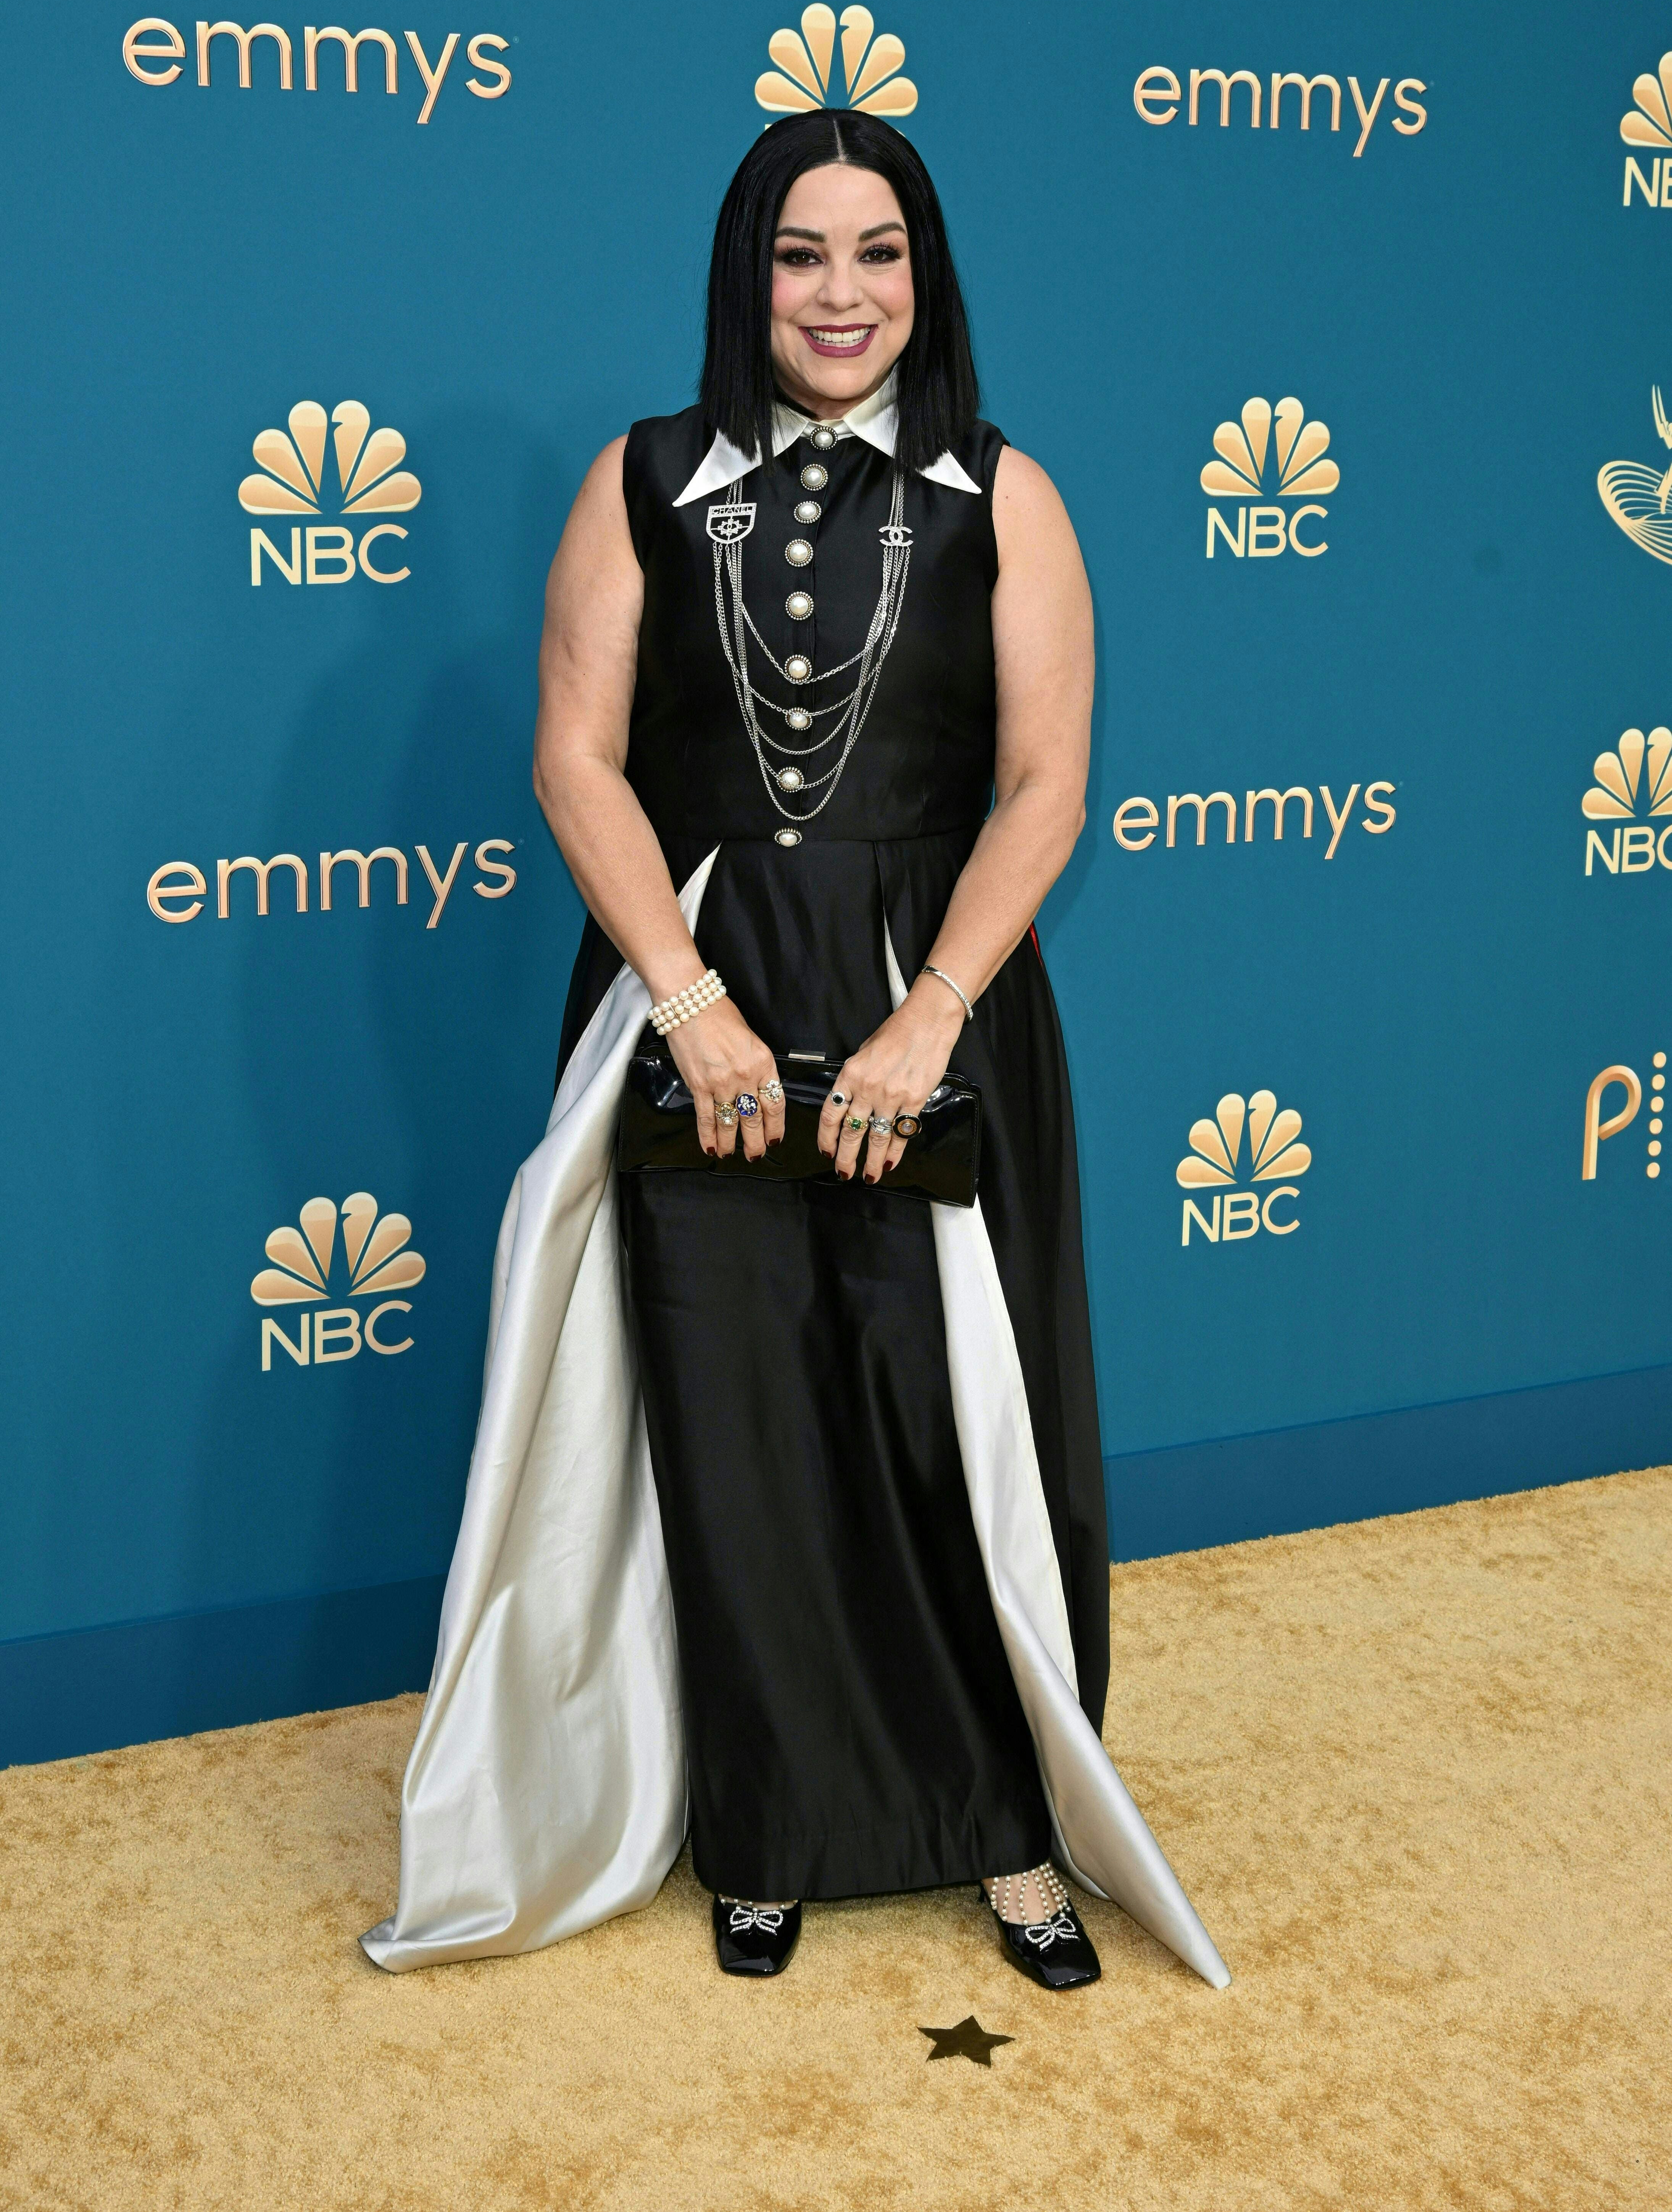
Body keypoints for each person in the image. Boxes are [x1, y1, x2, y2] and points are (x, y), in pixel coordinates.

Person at [361, 112, 1228, 2000]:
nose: (842, 295)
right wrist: (685, 995)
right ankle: (764, 1824)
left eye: (880, 252)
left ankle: (1008, 1824)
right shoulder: (642, 480)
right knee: (731, 1411)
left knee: (954, 1427)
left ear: (929, 273)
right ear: (742, 273)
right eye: (800, 254)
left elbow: (1044, 784)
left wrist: (932, 1019)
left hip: (942, 992)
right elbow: (575, 759)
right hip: (697, 987)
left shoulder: (1011, 495)